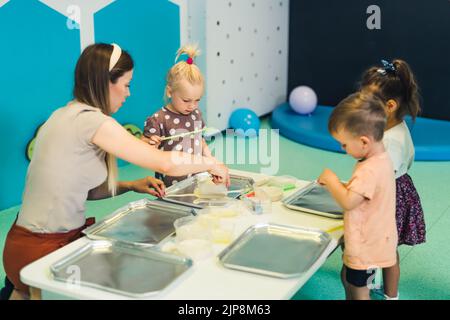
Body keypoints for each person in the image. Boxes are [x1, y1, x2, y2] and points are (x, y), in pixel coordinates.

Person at [2, 43, 229, 300]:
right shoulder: (94, 122)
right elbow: (164, 163)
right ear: (106, 83)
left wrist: (130, 185)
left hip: (20, 246)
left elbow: (82, 192)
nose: (128, 93)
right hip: (42, 250)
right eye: (127, 84)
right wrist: (212, 164)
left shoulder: (62, 114)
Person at [318, 92, 397, 300]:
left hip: (365, 246)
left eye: (344, 144)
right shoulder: (382, 157)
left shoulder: (368, 170)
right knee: (352, 280)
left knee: (358, 288)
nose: (342, 149)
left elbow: (348, 202)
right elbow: (370, 192)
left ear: (364, 142)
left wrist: (332, 181)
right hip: (377, 241)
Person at [359, 59, 426, 300]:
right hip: (396, 189)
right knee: (386, 249)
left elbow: (380, 176)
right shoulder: (392, 128)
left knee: (385, 251)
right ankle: (384, 289)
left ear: (389, 106)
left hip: (389, 196)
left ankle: (390, 295)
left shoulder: (391, 141)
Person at [142, 44, 217, 186]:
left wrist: (212, 163)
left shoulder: (196, 114)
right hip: (171, 184)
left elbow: (200, 141)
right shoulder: (158, 119)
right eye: (186, 100)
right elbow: (144, 150)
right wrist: (151, 144)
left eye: (197, 100)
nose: (192, 106)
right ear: (170, 92)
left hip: (199, 178)